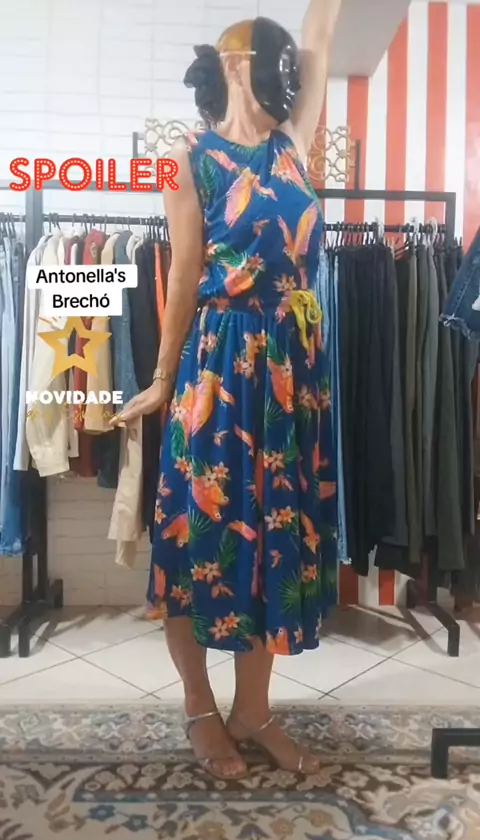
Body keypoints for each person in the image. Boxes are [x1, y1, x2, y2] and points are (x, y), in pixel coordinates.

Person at [112, 2, 342, 779]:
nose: (290, 74)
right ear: (234, 66)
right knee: (198, 537)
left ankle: (254, 711)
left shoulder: (294, 142)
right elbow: (182, 276)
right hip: (219, 365)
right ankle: (200, 709)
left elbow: (321, 33)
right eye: (272, 62)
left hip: (292, 371)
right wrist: (160, 381)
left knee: (275, 540)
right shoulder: (185, 158)